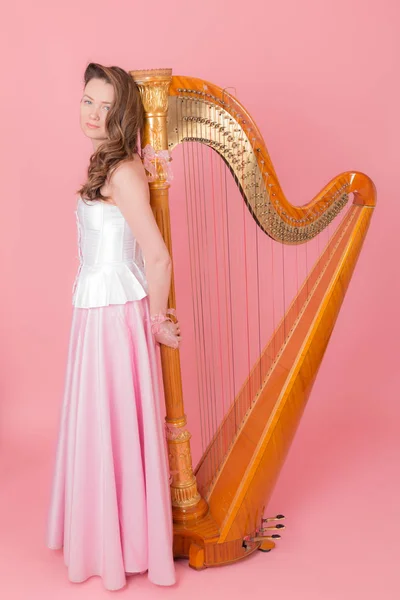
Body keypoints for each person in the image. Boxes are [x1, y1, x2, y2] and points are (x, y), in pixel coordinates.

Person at [46, 62, 180, 591]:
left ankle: (120, 544)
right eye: (87, 101)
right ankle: (107, 536)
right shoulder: (108, 161)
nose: (93, 114)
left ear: (124, 112)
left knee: (113, 423)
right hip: (95, 310)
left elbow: (157, 257)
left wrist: (158, 320)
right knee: (101, 422)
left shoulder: (123, 170)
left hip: (116, 313)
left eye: (106, 105)